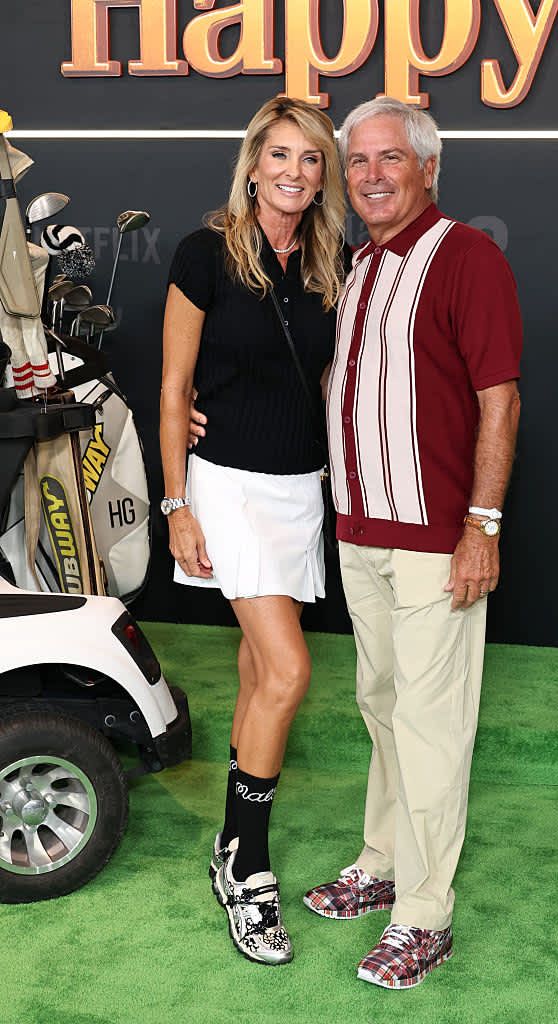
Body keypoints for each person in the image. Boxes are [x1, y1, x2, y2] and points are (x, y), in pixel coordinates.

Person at [301, 97, 523, 990]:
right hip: (360, 529)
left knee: (432, 728)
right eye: (358, 162)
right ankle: (382, 860)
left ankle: (425, 917)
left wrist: (483, 526)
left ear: (427, 167)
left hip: (438, 539)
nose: (371, 175)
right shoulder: (358, 264)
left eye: (390, 158)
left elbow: (499, 398)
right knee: (383, 707)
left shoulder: (465, 255)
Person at [160, 96, 346, 966]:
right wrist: (176, 502)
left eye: (311, 160)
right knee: (289, 670)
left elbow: (320, 382)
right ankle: (246, 863)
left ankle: (231, 845)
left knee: (253, 666)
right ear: (252, 163)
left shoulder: (328, 260)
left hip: (297, 488)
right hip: (226, 483)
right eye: (280, 156)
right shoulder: (204, 253)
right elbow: (173, 388)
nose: (295, 174)